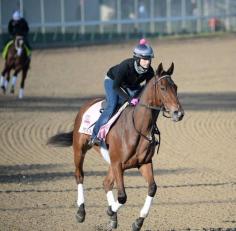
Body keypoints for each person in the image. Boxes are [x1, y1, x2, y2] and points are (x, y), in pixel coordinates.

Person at [88, 39, 155, 146]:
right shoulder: (125, 66)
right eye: (145, 59)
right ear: (137, 59)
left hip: (130, 85)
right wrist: (129, 99)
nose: (148, 62)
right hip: (112, 81)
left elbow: (147, 88)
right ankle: (94, 135)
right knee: (112, 105)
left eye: (149, 59)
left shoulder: (150, 71)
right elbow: (116, 87)